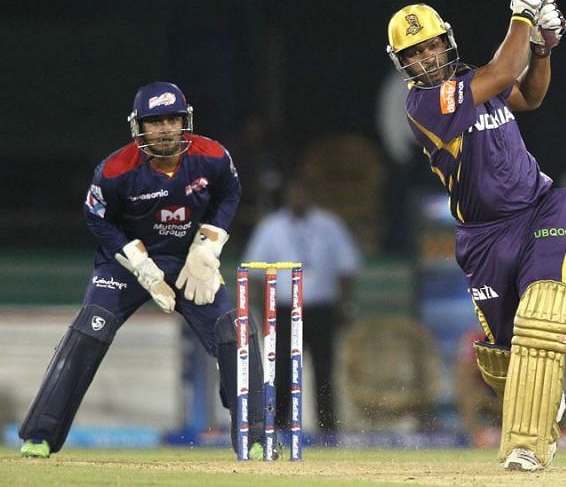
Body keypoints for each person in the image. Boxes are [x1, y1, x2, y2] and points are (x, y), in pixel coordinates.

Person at [385, 0, 566, 472]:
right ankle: (541, 393)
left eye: (430, 47)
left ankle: (525, 450)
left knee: (545, 314)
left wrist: (542, 48)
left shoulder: (474, 81)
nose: (425, 59)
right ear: (404, 65)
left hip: (540, 209)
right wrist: (523, 14)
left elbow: (529, 95)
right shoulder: (425, 104)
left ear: (446, 43)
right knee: (505, 364)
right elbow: (503, 74)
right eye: (413, 54)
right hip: (484, 236)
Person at [19, 81, 266, 459]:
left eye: (173, 119)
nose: (165, 128)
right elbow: (96, 218)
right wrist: (138, 263)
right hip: (127, 266)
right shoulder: (115, 171)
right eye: (155, 121)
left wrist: (209, 245)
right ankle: (40, 435)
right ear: (139, 127)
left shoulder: (213, 157)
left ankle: (254, 437)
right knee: (90, 329)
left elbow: (229, 193)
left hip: (188, 264)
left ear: (186, 122)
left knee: (234, 331)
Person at [241, 171, 361, 435]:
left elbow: (346, 269)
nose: (299, 198)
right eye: (294, 192)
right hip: (284, 309)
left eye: (304, 192)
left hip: (321, 309)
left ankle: (328, 428)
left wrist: (345, 306)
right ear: (287, 196)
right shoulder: (271, 227)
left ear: (312, 195)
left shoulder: (330, 225)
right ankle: (281, 427)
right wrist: (264, 310)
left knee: (324, 371)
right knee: (282, 371)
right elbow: (257, 274)